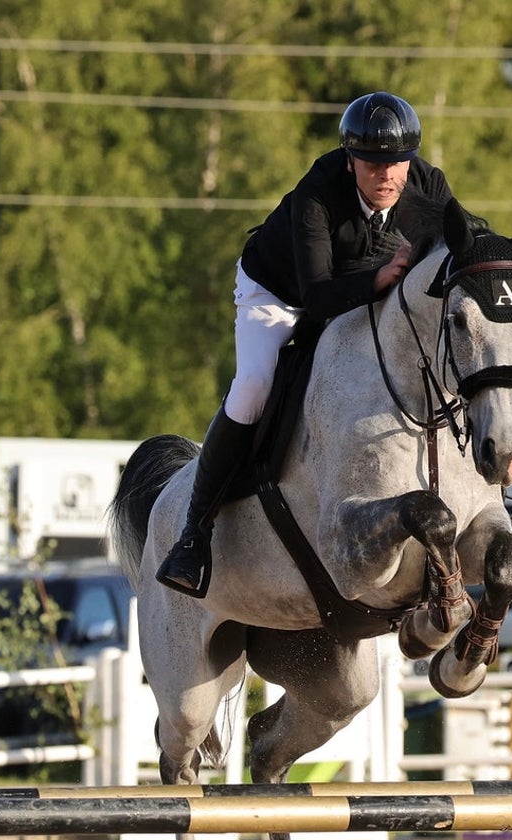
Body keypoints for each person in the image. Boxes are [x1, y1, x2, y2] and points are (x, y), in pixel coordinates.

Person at [156, 91, 452, 598]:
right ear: (350, 159)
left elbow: (461, 240)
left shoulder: (425, 184)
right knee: (253, 386)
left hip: (361, 289)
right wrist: (381, 280)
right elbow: (316, 298)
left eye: (397, 163)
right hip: (278, 293)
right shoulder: (318, 193)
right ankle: (193, 533)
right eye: (373, 164)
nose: (387, 177)